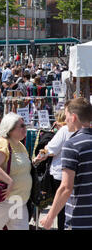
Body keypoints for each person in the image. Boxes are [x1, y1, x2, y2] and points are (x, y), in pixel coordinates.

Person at [40, 98, 92, 230]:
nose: (65, 120)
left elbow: (66, 187)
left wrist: (50, 217)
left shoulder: (72, 144)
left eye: (66, 115)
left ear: (73, 117)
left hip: (80, 218)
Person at [0, 113, 32, 230]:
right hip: (4, 201)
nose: (25, 128)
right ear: (10, 129)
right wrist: (9, 181)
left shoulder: (20, 145)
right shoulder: (2, 143)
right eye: (22, 126)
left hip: (19, 200)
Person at [33, 109, 74, 230]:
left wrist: (37, 159)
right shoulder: (82, 130)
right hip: (76, 173)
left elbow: (49, 150)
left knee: (61, 206)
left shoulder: (64, 130)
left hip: (61, 173)